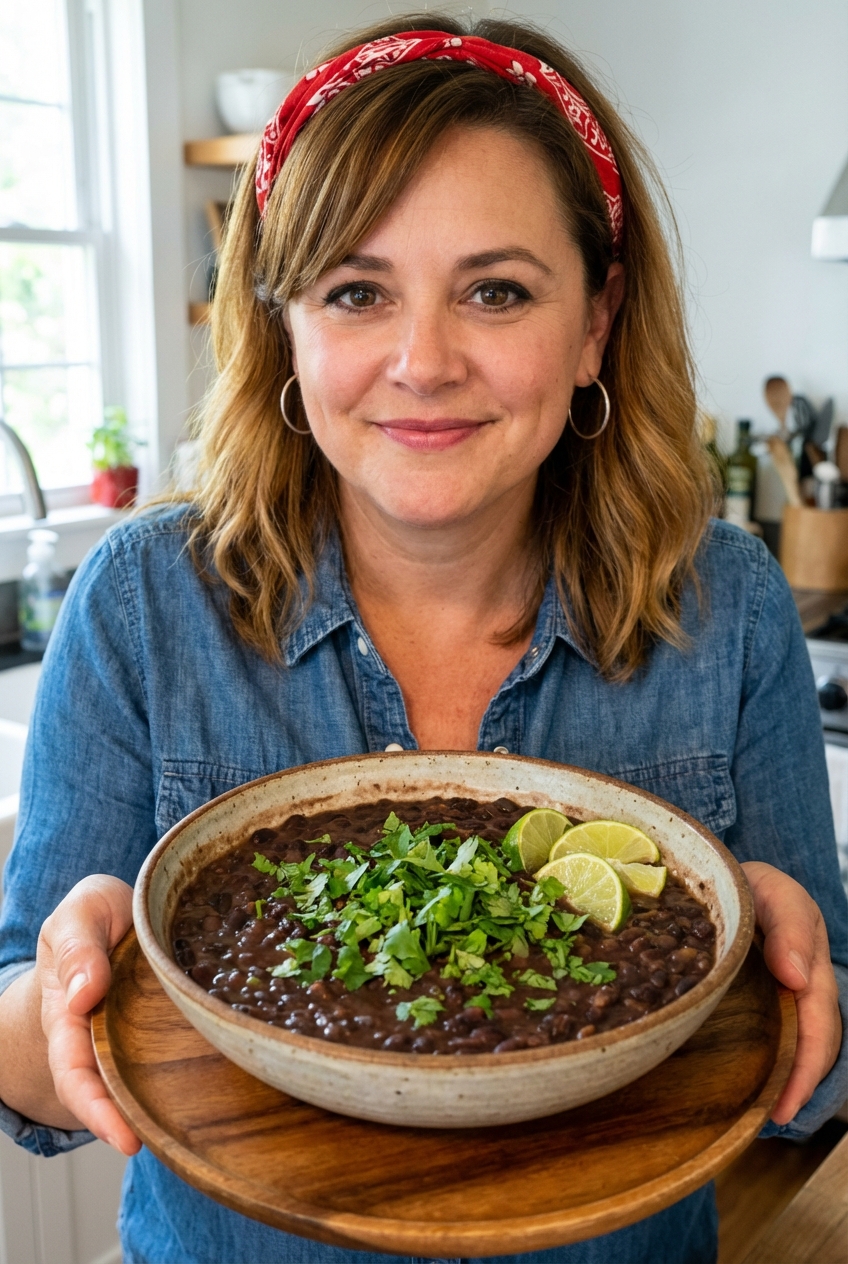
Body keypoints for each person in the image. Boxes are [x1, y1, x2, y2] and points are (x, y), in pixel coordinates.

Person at [0, 13, 844, 1264]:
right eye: (356, 291)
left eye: (494, 291)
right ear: (286, 322)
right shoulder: (139, 601)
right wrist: (65, 990)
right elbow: (25, 1089)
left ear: (595, 321)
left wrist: (782, 987)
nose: (421, 361)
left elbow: (811, 1092)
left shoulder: (720, 602)